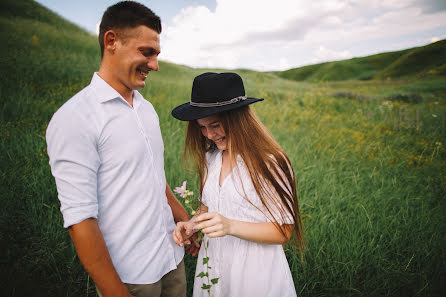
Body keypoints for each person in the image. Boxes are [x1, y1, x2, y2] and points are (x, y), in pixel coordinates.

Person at [46, 2, 198, 297]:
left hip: (172, 257)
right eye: (146, 52)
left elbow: (155, 176)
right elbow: (80, 221)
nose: (154, 65)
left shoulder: (146, 109)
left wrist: (184, 219)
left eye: (156, 54)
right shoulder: (75, 118)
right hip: (131, 276)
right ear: (111, 41)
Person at [171, 72, 304, 297]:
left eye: (215, 125)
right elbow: (209, 206)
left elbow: (283, 231)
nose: (209, 135)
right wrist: (193, 223)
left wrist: (230, 226)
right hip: (213, 263)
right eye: (202, 127)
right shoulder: (211, 157)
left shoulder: (269, 162)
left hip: (254, 271)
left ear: (238, 119)